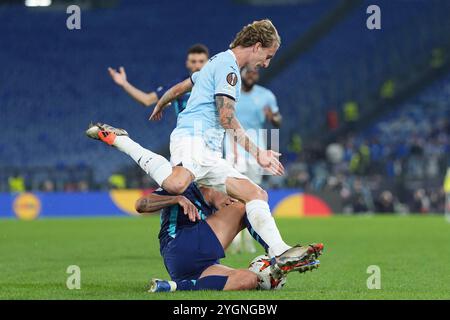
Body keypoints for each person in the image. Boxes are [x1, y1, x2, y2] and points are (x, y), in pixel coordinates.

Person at [86, 20, 323, 278]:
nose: (267, 64)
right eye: (268, 56)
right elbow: (227, 118)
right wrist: (259, 154)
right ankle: (122, 140)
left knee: (256, 194)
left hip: (209, 152)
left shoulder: (217, 62)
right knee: (176, 185)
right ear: (256, 46)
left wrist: (162, 103)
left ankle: (279, 251)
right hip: (192, 139)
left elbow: (182, 86)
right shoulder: (229, 69)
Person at [134, 177, 321, 292]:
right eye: (227, 193)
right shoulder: (183, 186)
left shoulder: (212, 209)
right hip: (180, 244)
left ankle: (173, 287)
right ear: (212, 184)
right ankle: (277, 253)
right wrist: (177, 199)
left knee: (248, 280)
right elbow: (141, 204)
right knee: (244, 206)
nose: (229, 199)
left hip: (186, 269)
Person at [225, 66, 282, 254]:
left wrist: (273, 117)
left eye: (254, 73)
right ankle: (233, 239)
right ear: (241, 74)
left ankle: (249, 239)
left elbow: (278, 120)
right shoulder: (231, 94)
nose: (251, 76)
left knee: (254, 196)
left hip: (256, 151)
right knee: (233, 196)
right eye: (248, 73)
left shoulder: (266, 95)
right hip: (233, 148)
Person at [108, 44, 209, 115]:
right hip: (187, 136)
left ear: (208, 62)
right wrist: (124, 84)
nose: (197, 65)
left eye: (201, 61)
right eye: (193, 61)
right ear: (187, 63)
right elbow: (147, 100)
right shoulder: (178, 85)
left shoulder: (216, 83)